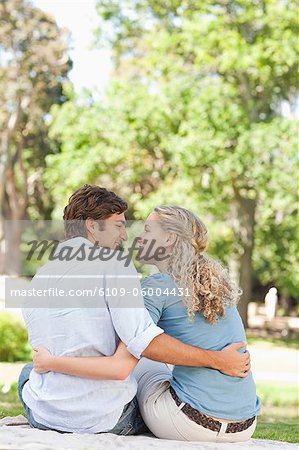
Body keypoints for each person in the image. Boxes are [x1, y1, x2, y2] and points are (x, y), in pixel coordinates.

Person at [19, 186, 250, 435]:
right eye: (119, 226)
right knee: (139, 358)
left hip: (45, 416)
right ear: (92, 226)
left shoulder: (39, 278)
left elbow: (46, 348)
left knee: (28, 373)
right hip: (104, 420)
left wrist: (52, 362)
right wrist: (218, 360)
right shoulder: (117, 266)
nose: (125, 236)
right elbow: (126, 361)